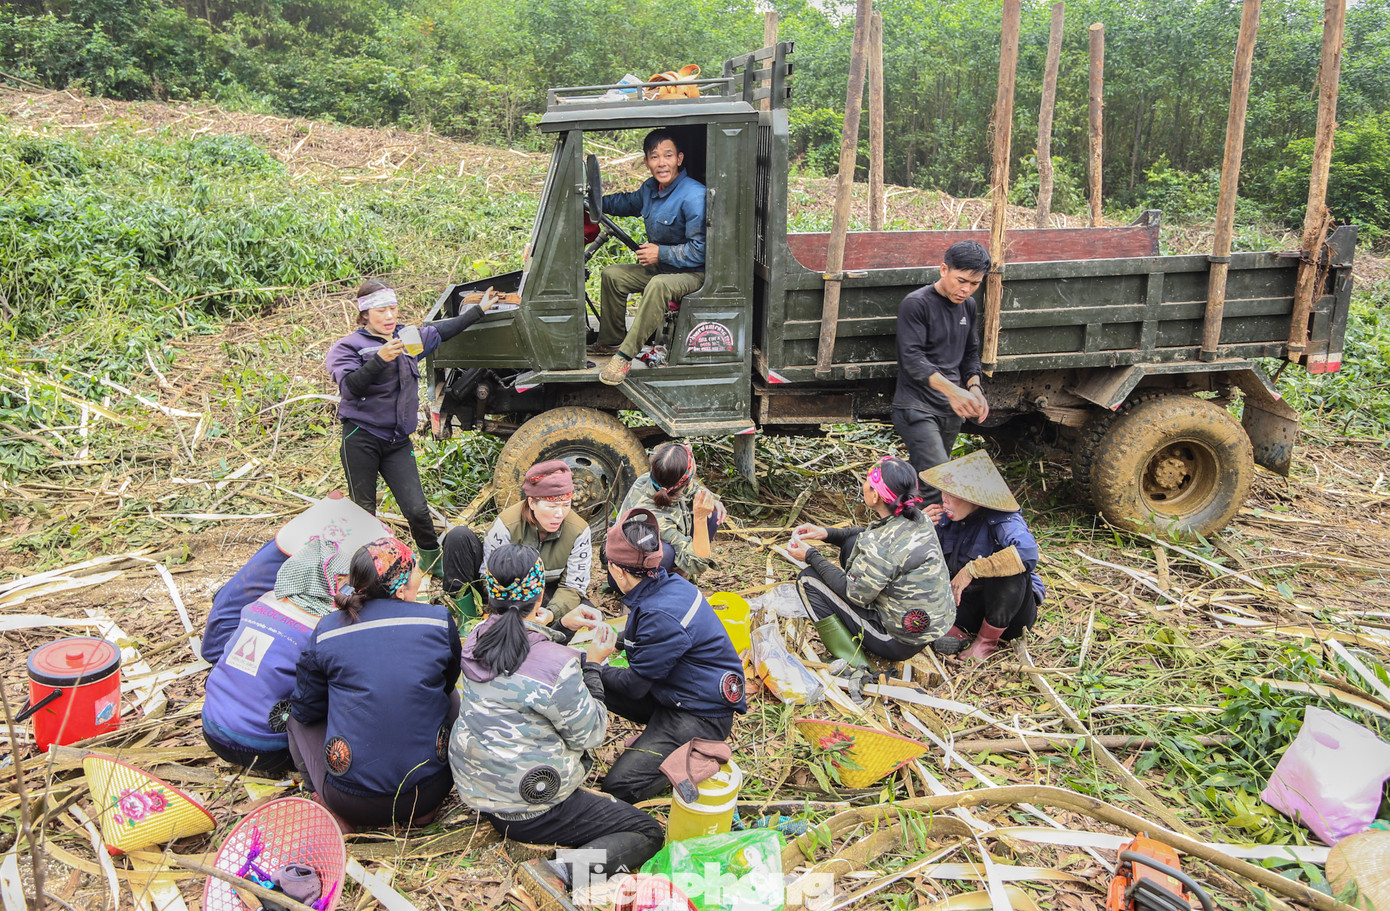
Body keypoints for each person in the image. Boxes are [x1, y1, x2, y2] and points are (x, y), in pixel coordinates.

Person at [449, 544, 662, 886]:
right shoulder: (555, 665)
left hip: (478, 787)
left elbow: (519, 645)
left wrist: (562, 625)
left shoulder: (476, 637)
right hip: (529, 805)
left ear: (491, 592)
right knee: (647, 832)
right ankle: (561, 873)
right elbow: (592, 732)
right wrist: (593, 665)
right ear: (538, 597)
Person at [325, 279, 496, 577]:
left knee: (417, 509)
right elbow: (350, 387)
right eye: (381, 310)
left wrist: (477, 311)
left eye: (393, 308)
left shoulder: (407, 339)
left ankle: (431, 560)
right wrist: (379, 360)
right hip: (360, 438)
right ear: (365, 314)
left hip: (397, 442)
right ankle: (370, 571)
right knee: (365, 510)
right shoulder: (348, 347)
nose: (390, 316)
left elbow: (440, 331)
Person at [289, 537, 460, 830]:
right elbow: (445, 685)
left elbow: (306, 709)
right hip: (429, 792)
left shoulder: (328, 630)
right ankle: (415, 810)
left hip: (352, 799)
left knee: (294, 717)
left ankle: (328, 802)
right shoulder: (438, 621)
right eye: (417, 568)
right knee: (452, 696)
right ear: (402, 586)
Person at [596, 508, 747, 805]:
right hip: (674, 692)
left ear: (617, 570)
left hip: (700, 714)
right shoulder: (668, 584)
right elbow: (645, 641)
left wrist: (594, 664)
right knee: (589, 675)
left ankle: (694, 759)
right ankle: (659, 740)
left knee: (618, 787)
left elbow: (633, 686)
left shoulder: (660, 614)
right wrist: (612, 642)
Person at [201, 534, 358, 774]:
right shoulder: (324, 627)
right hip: (265, 749)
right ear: (330, 582)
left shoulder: (262, 602)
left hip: (211, 728)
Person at [788, 457, 954, 669]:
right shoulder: (919, 519)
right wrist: (827, 533)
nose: (864, 485)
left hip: (898, 641)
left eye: (867, 482)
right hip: (927, 625)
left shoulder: (880, 546)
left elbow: (853, 594)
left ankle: (853, 662)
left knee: (807, 580)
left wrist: (811, 555)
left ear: (875, 495)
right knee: (851, 543)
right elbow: (872, 534)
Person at [202, 494, 387, 664]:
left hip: (227, 623)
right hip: (227, 646)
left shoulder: (288, 547)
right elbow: (336, 600)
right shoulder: (306, 567)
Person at [593, 129, 706, 385]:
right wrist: (593, 201)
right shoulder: (649, 189)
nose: (661, 163)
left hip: (693, 274)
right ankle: (611, 342)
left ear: (679, 158)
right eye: (654, 157)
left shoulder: (694, 196)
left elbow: (702, 250)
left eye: (668, 155)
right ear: (646, 162)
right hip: (663, 268)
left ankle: (624, 357)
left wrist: (661, 252)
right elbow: (626, 203)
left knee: (658, 285)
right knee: (613, 275)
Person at [893, 240, 992, 504]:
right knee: (939, 483)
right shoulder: (916, 304)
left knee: (925, 478)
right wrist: (953, 391)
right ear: (943, 269)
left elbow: (970, 353)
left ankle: (904, 528)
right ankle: (935, 543)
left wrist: (974, 388)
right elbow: (913, 360)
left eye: (974, 284)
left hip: (950, 410)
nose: (966, 290)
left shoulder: (968, 306)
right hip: (917, 406)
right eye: (961, 281)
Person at [922, 451, 1045, 661]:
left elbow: (1027, 552)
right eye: (944, 492)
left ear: (975, 496)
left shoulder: (1003, 519)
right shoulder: (942, 516)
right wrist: (917, 526)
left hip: (1007, 613)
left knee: (1011, 569)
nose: (944, 500)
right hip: (963, 606)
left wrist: (973, 569)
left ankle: (986, 643)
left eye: (952, 494)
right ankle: (952, 629)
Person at [475, 460, 599, 628]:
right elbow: (490, 576)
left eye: (566, 505)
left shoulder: (579, 530)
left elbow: (573, 585)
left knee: (588, 614)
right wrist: (518, 609)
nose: (560, 514)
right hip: (511, 593)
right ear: (532, 502)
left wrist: (552, 612)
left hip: (549, 591)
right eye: (552, 506)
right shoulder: (506, 525)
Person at [616, 442, 725, 585]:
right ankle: (657, 588)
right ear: (690, 475)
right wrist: (699, 518)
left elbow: (691, 489)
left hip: (646, 554)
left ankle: (679, 575)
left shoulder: (653, 480)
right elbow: (698, 565)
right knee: (665, 552)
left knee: (712, 514)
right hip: (627, 578)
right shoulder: (656, 518)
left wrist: (712, 499)